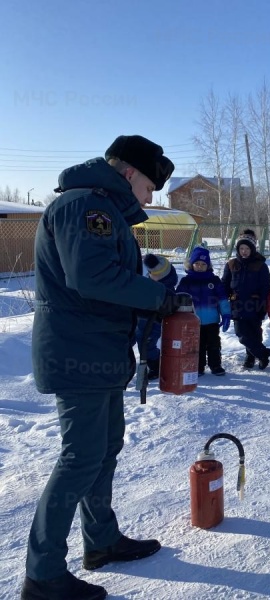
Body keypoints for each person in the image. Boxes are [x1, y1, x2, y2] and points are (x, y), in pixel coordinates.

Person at [25, 134, 177, 599]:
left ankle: (102, 540)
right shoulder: (83, 206)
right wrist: (158, 299)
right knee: (79, 458)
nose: (151, 198)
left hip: (99, 351)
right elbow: (90, 277)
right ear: (128, 172)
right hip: (78, 350)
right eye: (150, 186)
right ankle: (43, 573)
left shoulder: (104, 209)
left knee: (105, 448)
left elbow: (109, 274)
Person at [177, 246, 231, 376]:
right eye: (197, 263)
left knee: (214, 344)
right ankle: (198, 367)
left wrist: (226, 314)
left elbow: (222, 299)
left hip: (212, 320)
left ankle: (216, 365)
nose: (200, 266)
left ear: (208, 265)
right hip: (193, 321)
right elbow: (178, 298)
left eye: (203, 264)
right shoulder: (186, 281)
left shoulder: (214, 280)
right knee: (196, 346)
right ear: (191, 264)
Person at [222, 234, 270, 370]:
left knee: (255, 332)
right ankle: (262, 354)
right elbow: (225, 285)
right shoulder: (231, 264)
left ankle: (250, 358)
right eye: (241, 248)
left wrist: (263, 305)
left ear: (252, 249)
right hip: (237, 305)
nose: (244, 251)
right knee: (242, 334)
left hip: (254, 305)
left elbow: (265, 287)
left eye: (247, 248)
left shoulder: (260, 265)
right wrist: (223, 302)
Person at [136, 253, 178, 380]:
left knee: (147, 345)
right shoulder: (151, 284)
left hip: (153, 322)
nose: (149, 276)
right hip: (141, 321)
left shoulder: (164, 291)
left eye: (153, 275)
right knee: (141, 343)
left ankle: (157, 367)